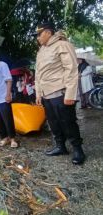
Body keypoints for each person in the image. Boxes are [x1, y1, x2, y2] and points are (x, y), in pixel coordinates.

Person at [34, 22, 85, 165]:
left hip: (60, 92)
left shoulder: (62, 45)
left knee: (68, 122)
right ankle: (60, 146)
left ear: (48, 32)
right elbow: (38, 74)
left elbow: (71, 69)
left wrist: (70, 94)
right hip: (46, 94)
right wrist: (38, 93)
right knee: (53, 123)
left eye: (39, 34)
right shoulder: (41, 51)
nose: (37, 38)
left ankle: (77, 149)